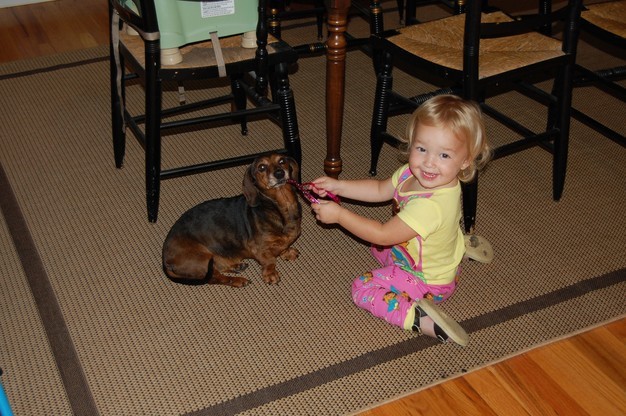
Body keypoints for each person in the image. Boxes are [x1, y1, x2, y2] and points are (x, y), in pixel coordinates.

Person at [308, 94, 491, 346]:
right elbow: (379, 189)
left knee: (363, 287)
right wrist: (339, 187)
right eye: (422, 149)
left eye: (444, 156)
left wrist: (339, 215)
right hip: (427, 256)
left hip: (428, 282)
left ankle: (421, 319)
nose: (429, 163)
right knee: (377, 246)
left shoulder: (430, 206)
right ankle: (457, 248)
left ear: (466, 161)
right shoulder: (411, 173)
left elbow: (383, 234)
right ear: (412, 143)